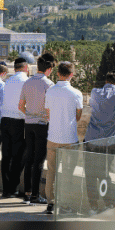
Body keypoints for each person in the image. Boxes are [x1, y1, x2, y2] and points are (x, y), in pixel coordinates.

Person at [83, 72, 115, 214]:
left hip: (91, 138)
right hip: (108, 141)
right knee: (105, 173)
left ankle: (93, 207)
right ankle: (109, 204)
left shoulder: (95, 92)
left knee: (90, 174)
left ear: (106, 81)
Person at [43, 62, 83, 215]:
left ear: (57, 73)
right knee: (68, 172)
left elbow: (48, 113)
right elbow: (78, 115)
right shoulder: (76, 93)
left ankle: (50, 203)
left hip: (53, 136)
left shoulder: (50, 91)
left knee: (51, 171)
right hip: (69, 137)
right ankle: (65, 204)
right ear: (71, 75)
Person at [18, 54, 55, 205]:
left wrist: (29, 115)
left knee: (29, 158)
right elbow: (50, 109)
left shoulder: (27, 82)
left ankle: (26, 192)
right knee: (39, 160)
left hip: (29, 122)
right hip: (41, 124)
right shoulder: (49, 85)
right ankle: (35, 194)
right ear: (49, 69)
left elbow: (20, 106)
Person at [0, 57, 29, 198]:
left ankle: (6, 189)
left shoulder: (8, 81)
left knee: (6, 155)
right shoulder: (26, 81)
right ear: (26, 67)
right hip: (18, 121)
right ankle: (13, 188)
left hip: (5, 119)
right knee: (18, 157)